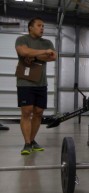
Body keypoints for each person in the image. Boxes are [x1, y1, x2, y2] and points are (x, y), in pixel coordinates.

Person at [15, 17, 57, 155]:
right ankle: (27, 143)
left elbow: (53, 57)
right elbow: (23, 52)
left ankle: (32, 141)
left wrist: (34, 54)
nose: (42, 28)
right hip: (25, 82)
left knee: (38, 113)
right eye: (39, 25)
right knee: (26, 112)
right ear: (30, 28)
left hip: (41, 83)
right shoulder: (22, 40)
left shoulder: (47, 42)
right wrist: (44, 52)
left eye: (43, 26)